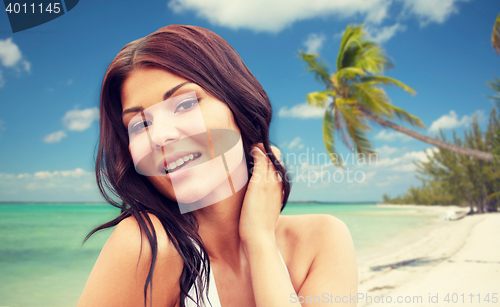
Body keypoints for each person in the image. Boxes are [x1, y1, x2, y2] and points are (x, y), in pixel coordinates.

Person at [77, 24, 358, 307]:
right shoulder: (145, 247)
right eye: (140, 124)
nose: (160, 136)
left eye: (184, 104)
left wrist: (259, 241)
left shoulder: (321, 241)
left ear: (239, 105)